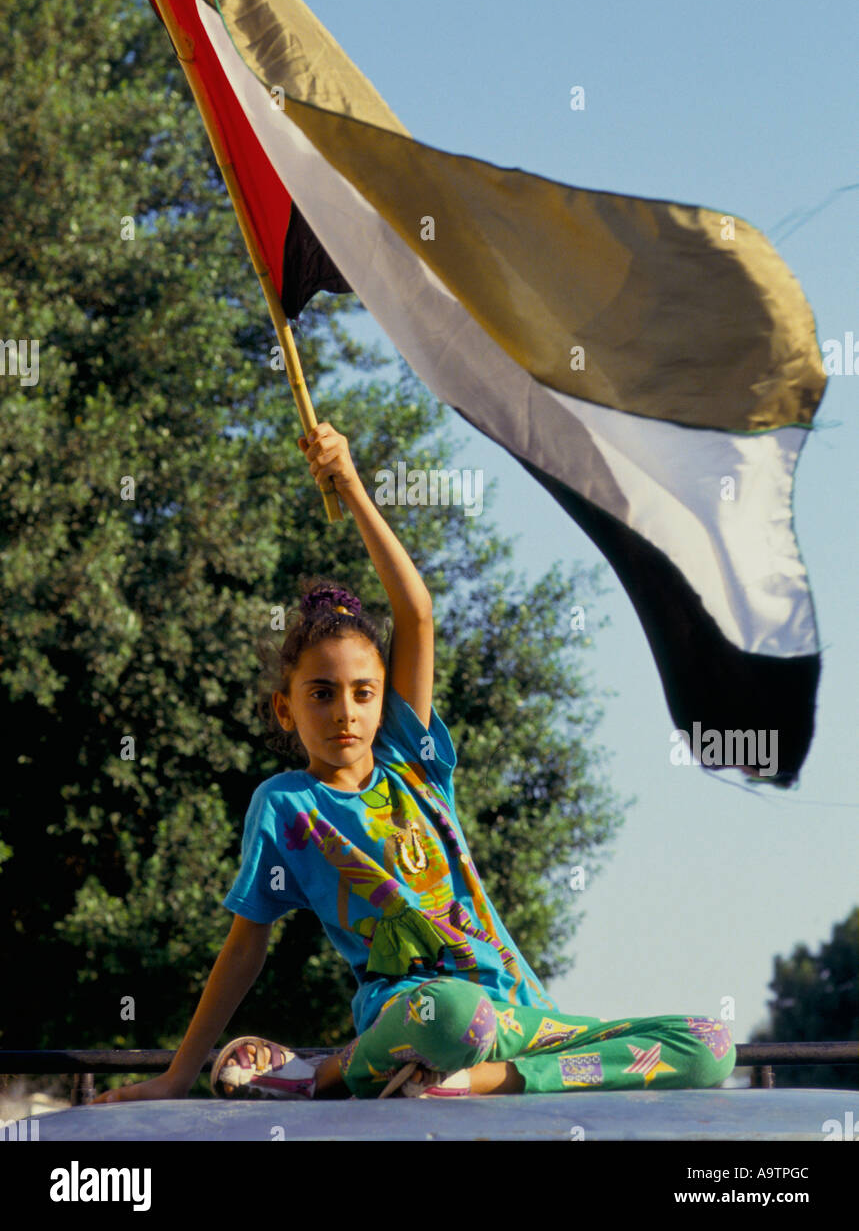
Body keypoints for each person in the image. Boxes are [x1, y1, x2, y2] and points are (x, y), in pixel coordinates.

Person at [94, 423, 735, 1102]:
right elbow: (245, 947)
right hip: (420, 1017)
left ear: (381, 705)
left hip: (521, 1017)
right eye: (321, 694)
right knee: (455, 1016)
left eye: (363, 693)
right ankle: (328, 1071)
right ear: (285, 710)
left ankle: (487, 1083)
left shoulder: (412, 760)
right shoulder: (286, 807)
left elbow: (416, 613)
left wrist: (352, 484)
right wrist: (176, 1075)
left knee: (709, 1045)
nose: (345, 711)